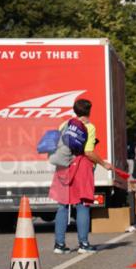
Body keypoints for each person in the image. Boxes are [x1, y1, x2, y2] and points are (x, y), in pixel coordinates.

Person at [50, 98, 113, 254]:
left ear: (75, 110)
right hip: (81, 167)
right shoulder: (89, 127)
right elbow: (88, 152)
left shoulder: (64, 125)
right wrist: (104, 164)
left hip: (64, 166)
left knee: (63, 205)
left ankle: (59, 245)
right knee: (83, 204)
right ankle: (83, 244)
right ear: (89, 111)